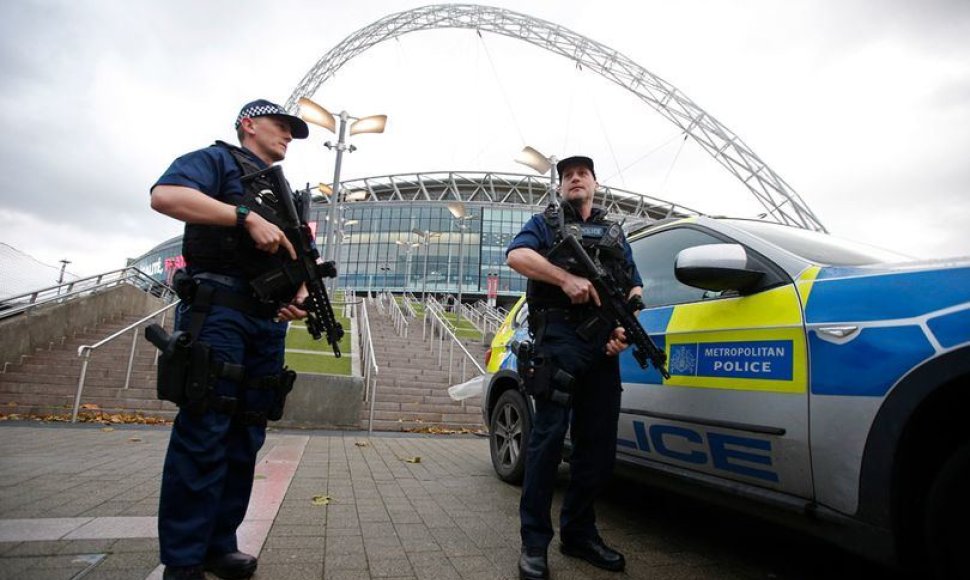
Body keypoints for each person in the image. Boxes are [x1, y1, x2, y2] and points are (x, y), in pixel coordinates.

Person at [149, 99, 311, 580]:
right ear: (249, 125)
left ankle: (220, 545)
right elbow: (165, 196)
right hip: (218, 310)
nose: (287, 136)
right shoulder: (215, 160)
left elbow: (302, 259)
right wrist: (244, 216)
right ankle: (182, 560)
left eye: (291, 130)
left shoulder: (286, 194)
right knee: (206, 431)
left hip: (266, 321)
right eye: (280, 126)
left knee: (246, 434)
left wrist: (298, 294)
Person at [506, 155, 643, 580]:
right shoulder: (545, 222)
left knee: (598, 445)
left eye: (582, 174)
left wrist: (623, 327)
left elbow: (634, 285)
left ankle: (579, 534)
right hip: (560, 340)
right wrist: (564, 280)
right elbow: (517, 256)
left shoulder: (616, 233)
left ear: (596, 184)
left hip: (602, 347)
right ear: (561, 187)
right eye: (567, 176)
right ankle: (534, 543)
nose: (574, 179)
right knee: (546, 444)